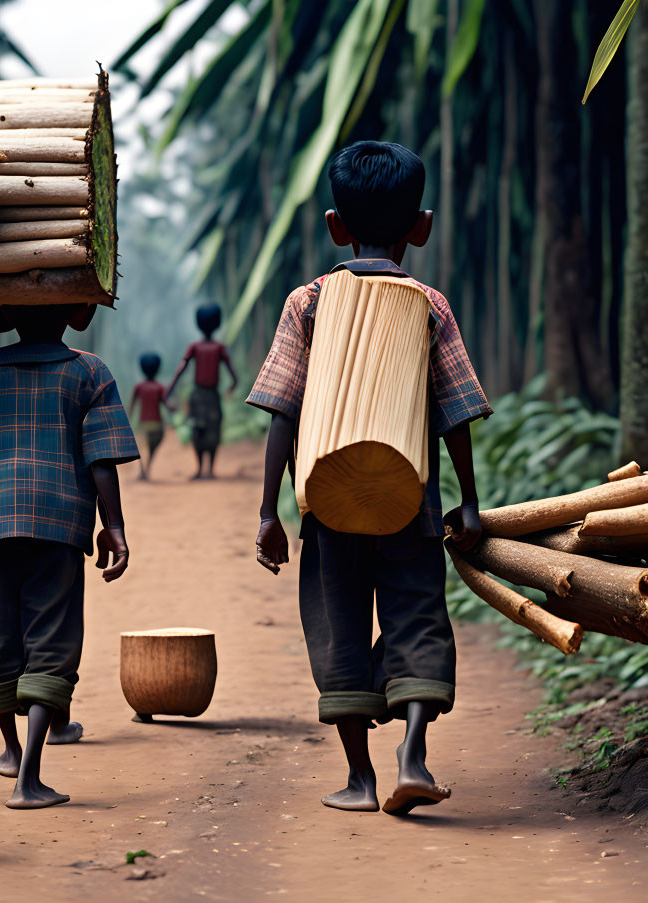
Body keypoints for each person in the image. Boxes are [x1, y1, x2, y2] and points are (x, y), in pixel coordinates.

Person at [249, 141, 489, 816]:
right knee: (416, 614)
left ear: (334, 225)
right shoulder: (428, 305)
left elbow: (281, 411)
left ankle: (358, 778)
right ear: (422, 226)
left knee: (337, 625)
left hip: (326, 498)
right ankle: (411, 751)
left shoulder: (308, 302)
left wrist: (268, 510)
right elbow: (455, 413)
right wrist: (469, 500)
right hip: (409, 495)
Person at [0, 304, 139, 809]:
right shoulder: (89, 371)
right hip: (59, 520)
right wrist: (113, 527)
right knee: (50, 639)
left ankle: (10, 751)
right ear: (73, 316)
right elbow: (101, 458)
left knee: (1, 636)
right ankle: (28, 779)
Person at [166, 304, 238, 479]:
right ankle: (210, 470)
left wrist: (170, 390)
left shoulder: (195, 347)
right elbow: (233, 375)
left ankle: (200, 469)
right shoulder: (219, 348)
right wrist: (231, 387)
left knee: (197, 431)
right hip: (212, 395)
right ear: (218, 323)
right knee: (213, 430)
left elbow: (180, 369)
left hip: (197, 395)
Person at [129, 352, 172, 480]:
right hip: (157, 424)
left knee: (141, 448)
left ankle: (143, 470)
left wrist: (127, 420)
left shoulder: (139, 387)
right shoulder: (160, 387)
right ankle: (147, 468)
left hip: (143, 424)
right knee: (152, 448)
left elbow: (132, 406)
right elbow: (167, 405)